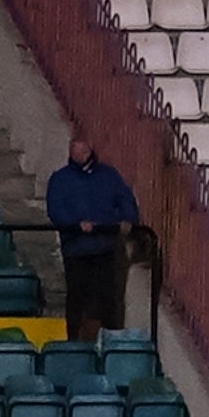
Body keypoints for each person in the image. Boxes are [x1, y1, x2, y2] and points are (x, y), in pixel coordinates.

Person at [47, 136, 141, 341]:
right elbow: (55, 210)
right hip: (76, 249)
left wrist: (127, 219)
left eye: (83, 151)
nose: (80, 155)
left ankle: (109, 342)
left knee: (109, 299)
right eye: (75, 152)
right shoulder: (60, 179)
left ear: (89, 151)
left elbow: (124, 199)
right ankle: (74, 340)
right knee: (76, 298)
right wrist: (76, 223)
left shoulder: (109, 176)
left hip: (105, 247)